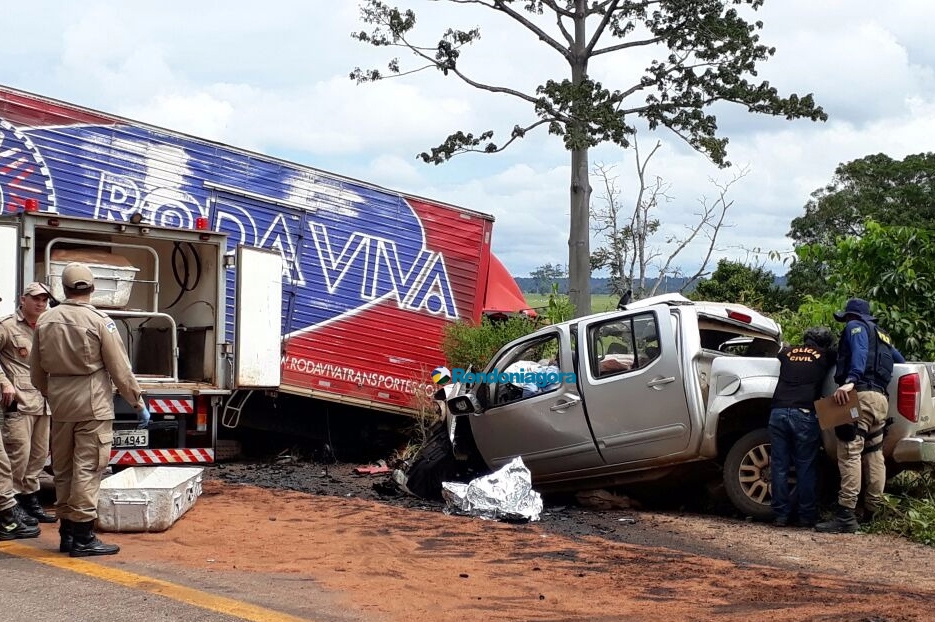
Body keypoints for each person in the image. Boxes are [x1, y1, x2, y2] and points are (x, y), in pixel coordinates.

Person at [29, 263, 151, 556]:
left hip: (60, 405)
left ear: (63, 288)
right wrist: (137, 402)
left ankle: (67, 534)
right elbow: (119, 368)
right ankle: (83, 536)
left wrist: (54, 393)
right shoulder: (99, 320)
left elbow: (35, 372)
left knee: (63, 469)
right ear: (92, 288)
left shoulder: (46, 321)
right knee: (88, 468)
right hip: (92, 405)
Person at [816, 298, 905, 534]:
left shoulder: (855, 327)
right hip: (880, 400)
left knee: (849, 451)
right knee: (874, 454)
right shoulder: (883, 336)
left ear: (850, 316)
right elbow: (900, 361)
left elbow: (860, 350)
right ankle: (872, 510)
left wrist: (850, 381)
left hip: (860, 396)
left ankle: (846, 513)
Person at [0, 282, 56, 524]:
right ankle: (10, 505)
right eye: (36, 298)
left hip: (44, 401)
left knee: (38, 455)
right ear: (23, 299)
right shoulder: (8, 327)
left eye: (45, 299)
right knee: (18, 455)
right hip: (19, 402)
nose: (41, 303)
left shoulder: (48, 327)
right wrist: (3, 382)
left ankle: (30, 501)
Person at [768, 327, 836, 528]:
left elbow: (778, 352)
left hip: (778, 411)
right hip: (804, 414)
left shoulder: (787, 353)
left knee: (779, 466)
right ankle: (807, 516)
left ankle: (780, 515)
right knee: (805, 466)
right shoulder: (825, 355)